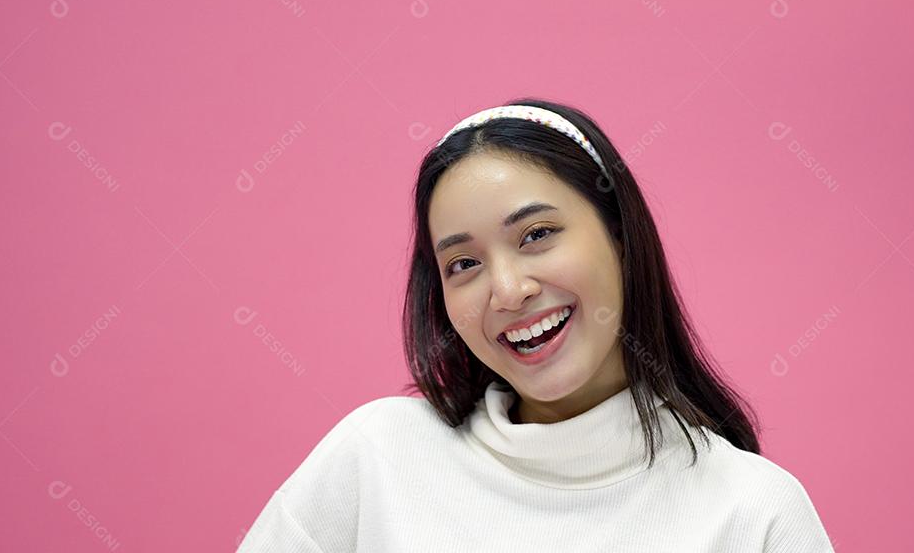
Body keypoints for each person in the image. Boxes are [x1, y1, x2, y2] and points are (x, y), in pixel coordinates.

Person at [236, 99, 835, 552]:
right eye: (463, 263)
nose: (508, 291)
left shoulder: (756, 514)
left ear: (621, 237)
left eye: (537, 235)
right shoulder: (376, 458)